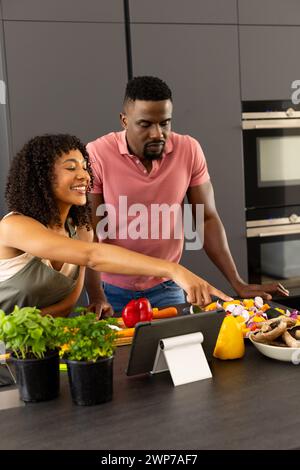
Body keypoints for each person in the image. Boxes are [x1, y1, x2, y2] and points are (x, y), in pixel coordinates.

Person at [86, 75, 289, 314]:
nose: (157, 133)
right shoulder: (97, 153)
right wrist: (97, 295)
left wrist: (238, 283)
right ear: (124, 120)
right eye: (145, 124)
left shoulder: (189, 150)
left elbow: (206, 219)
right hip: (111, 290)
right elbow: (91, 234)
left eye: (165, 123)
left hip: (168, 286)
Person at [0, 134, 232, 317]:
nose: (84, 175)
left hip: (37, 347)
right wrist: (173, 269)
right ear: (40, 177)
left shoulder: (81, 230)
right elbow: (93, 255)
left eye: (84, 166)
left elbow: (67, 304)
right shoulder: (15, 226)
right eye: (71, 168)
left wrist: (32, 331)